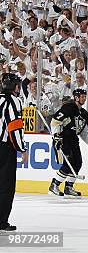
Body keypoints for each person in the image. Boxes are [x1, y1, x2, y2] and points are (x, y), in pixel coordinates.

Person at [49, 89, 88, 197]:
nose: (84, 98)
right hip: (63, 138)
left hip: (73, 139)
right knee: (68, 162)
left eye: (84, 96)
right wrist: (56, 137)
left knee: (78, 162)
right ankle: (54, 185)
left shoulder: (84, 114)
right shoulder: (68, 108)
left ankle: (69, 187)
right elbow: (55, 122)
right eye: (81, 96)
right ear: (76, 97)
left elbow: (84, 132)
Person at [0, 73, 26, 232]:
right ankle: (2, 221)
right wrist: (21, 149)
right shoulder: (14, 101)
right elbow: (15, 127)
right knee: (6, 185)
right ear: (16, 87)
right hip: (4, 149)